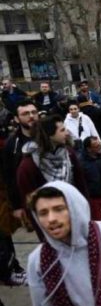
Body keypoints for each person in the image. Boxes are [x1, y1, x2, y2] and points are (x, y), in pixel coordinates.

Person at [17, 115, 93, 230]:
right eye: (62, 130)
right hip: (52, 224)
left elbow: (81, 185)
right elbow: (30, 204)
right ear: (49, 135)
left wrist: (86, 212)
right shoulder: (28, 166)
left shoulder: (69, 154)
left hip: (77, 214)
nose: (67, 133)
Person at [1, 99, 38, 286]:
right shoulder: (12, 144)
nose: (31, 116)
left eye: (33, 112)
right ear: (17, 118)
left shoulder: (49, 135)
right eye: (25, 113)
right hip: (28, 200)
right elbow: (9, 177)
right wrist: (16, 206)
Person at [79, 136, 101, 221]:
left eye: (100, 145)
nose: (100, 147)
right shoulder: (81, 164)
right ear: (89, 149)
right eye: (97, 146)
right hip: (93, 198)